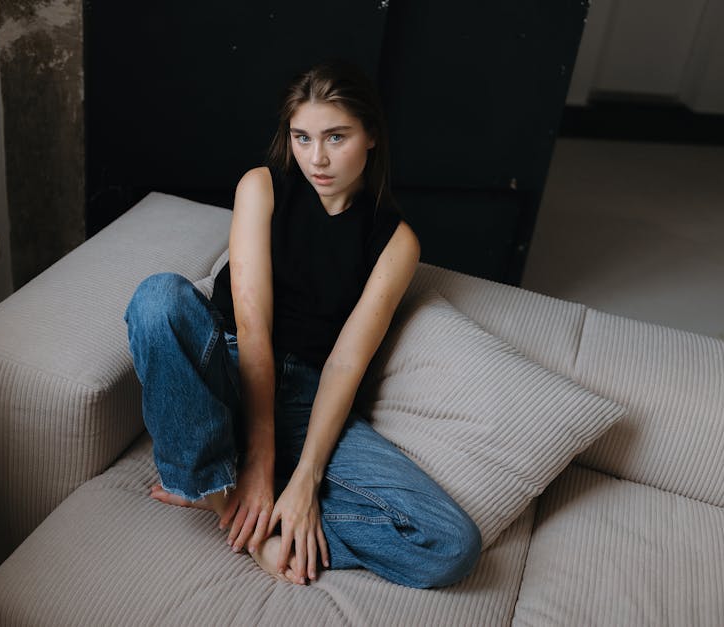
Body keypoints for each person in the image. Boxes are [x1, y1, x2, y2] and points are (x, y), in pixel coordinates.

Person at [124, 61, 481, 588]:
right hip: (227, 366)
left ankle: (237, 499)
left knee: (451, 545)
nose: (317, 158)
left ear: (372, 135)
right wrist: (261, 461)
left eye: (336, 137)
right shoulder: (262, 187)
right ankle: (228, 503)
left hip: (307, 403)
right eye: (302, 137)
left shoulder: (396, 241)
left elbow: (345, 364)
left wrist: (305, 483)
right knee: (158, 299)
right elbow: (252, 325)